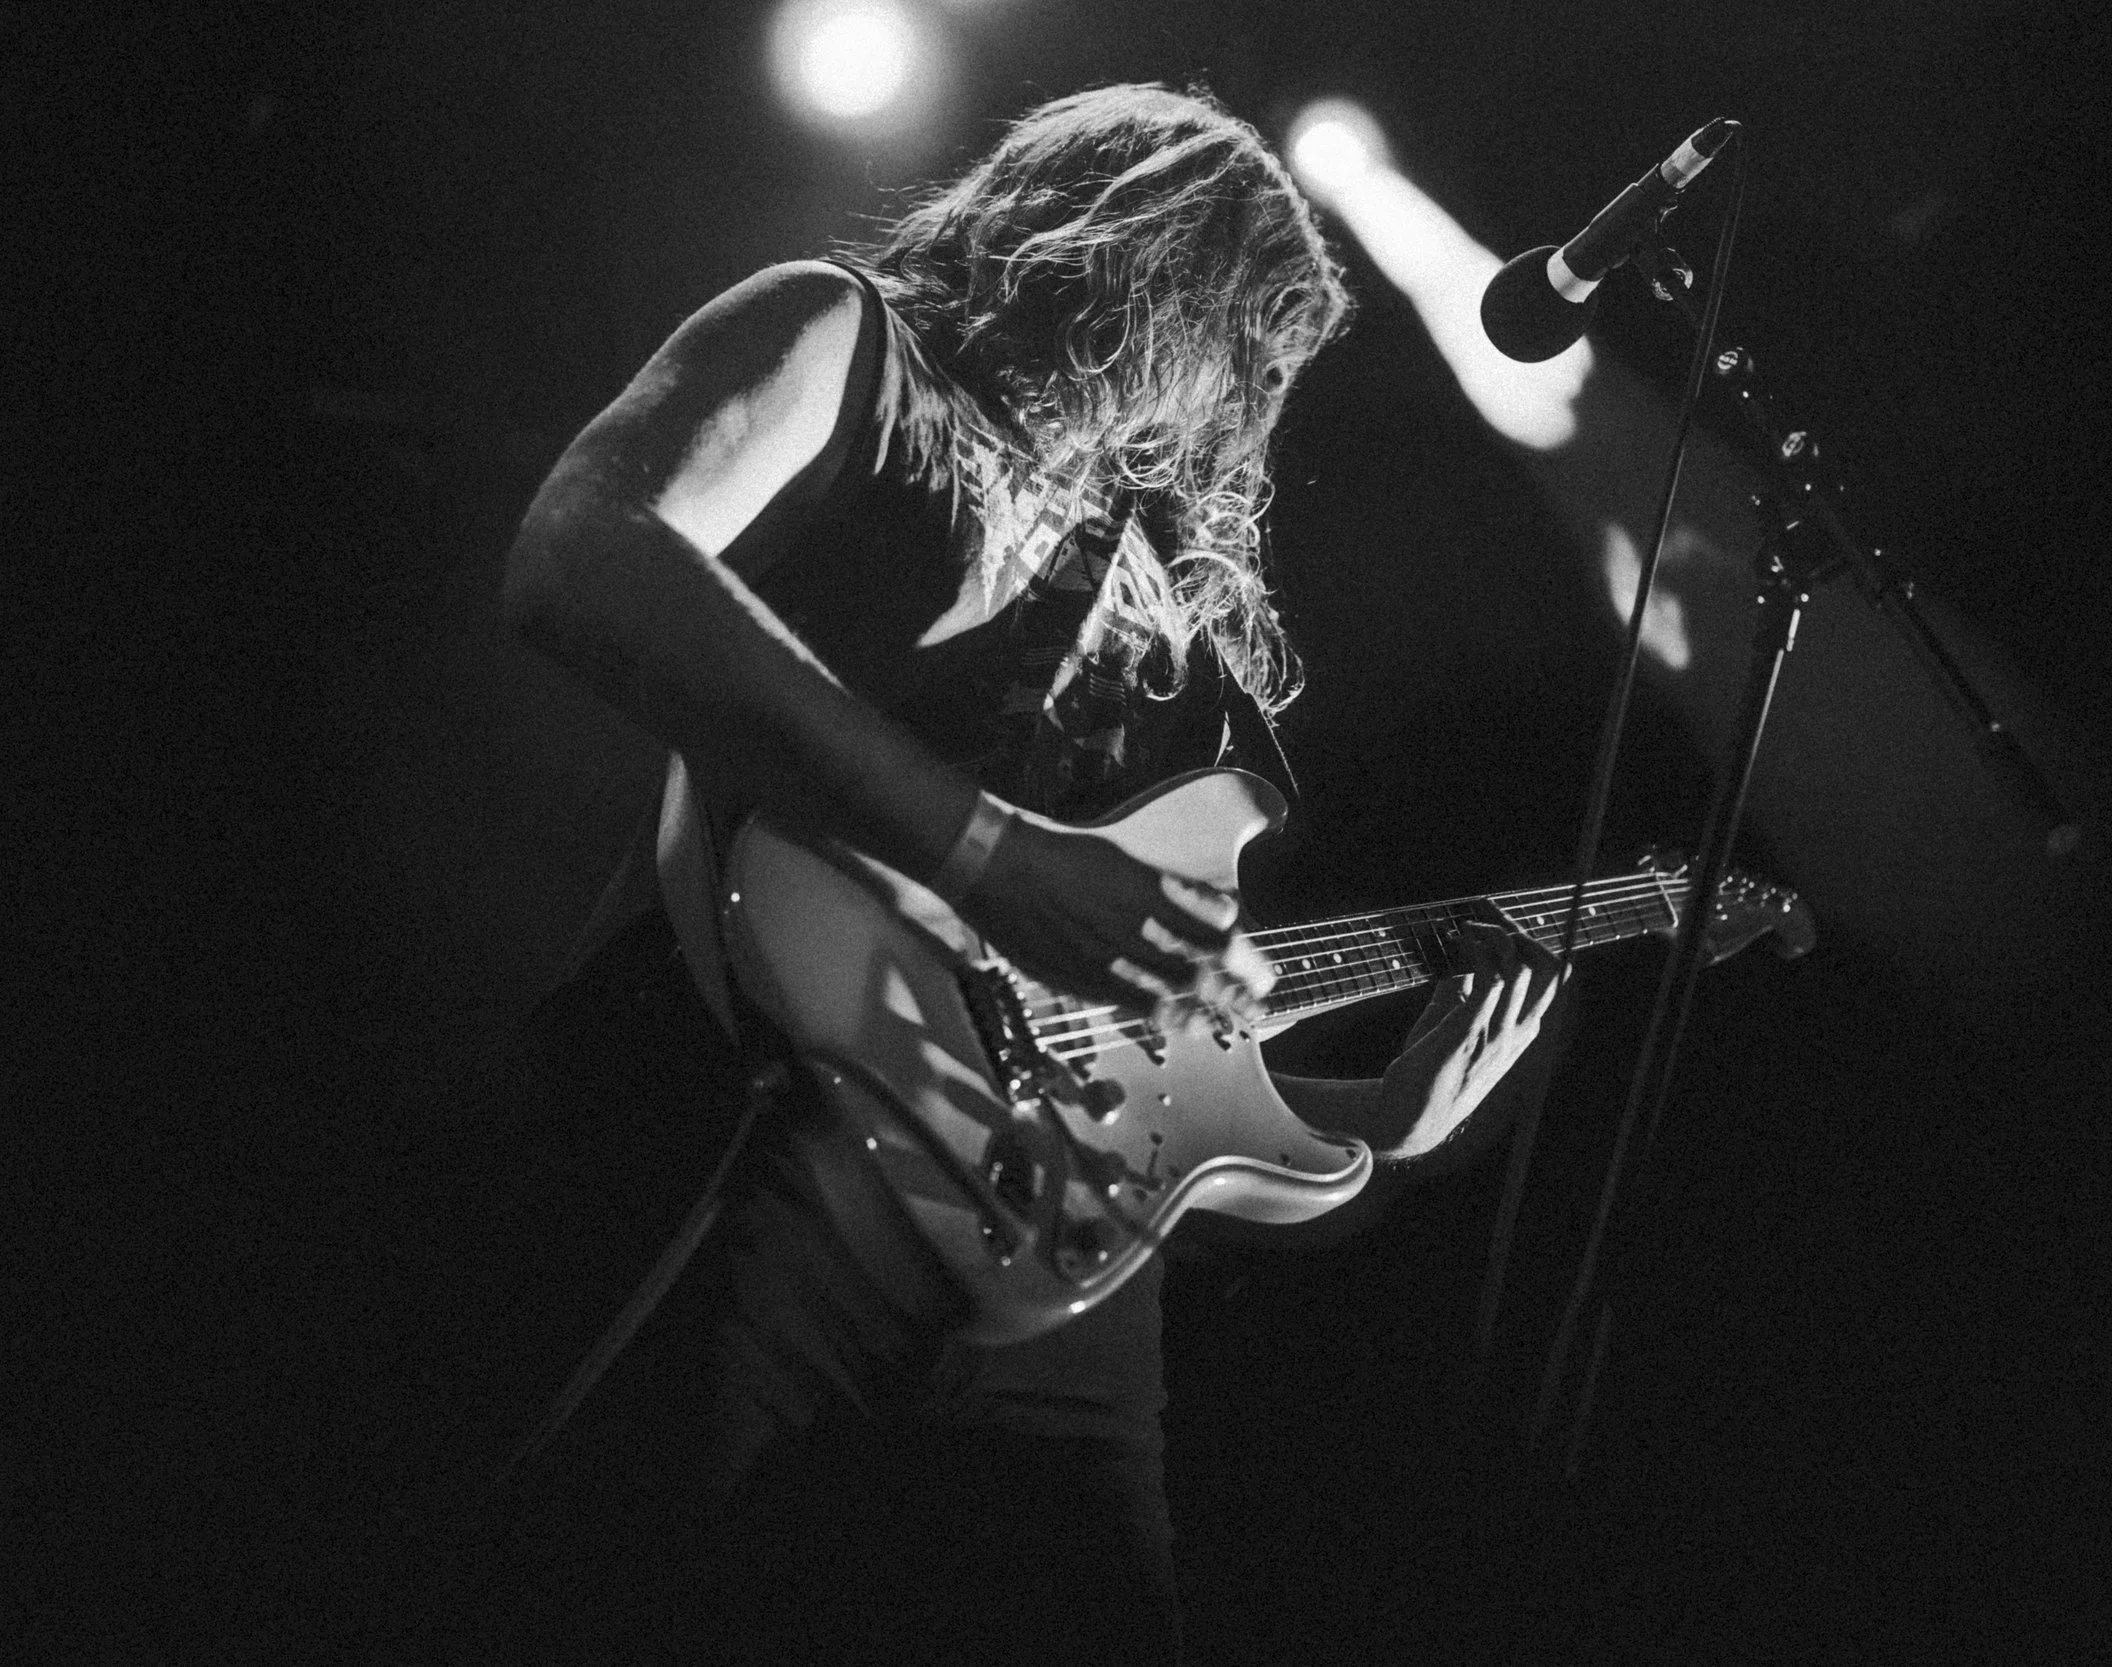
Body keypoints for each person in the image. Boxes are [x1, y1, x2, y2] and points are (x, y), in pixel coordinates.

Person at [494, 84, 1562, 1664]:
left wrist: (1367, 1125)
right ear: (1142, 263)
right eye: (1246, 344)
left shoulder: (1154, 610)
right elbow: (580, 553)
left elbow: (1136, 1065)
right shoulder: (842, 341)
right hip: (752, 1131)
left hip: (1046, 1303)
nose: (1248, 405)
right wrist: (989, 851)